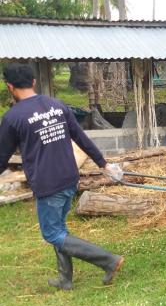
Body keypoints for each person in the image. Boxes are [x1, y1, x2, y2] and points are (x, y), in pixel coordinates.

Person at [0, 63, 124, 290]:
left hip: (48, 184)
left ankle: (108, 260)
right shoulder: (57, 105)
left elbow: (1, 157)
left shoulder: (13, 117)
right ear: (34, 82)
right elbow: (81, 138)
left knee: (52, 234)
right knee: (59, 229)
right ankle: (65, 279)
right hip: (69, 177)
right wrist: (104, 164)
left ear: (10, 87)